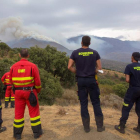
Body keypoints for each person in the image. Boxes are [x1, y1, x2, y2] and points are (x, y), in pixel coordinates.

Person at [68, 36, 105, 133]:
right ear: (90, 43)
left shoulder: (75, 53)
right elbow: (99, 68)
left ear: (81, 42)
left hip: (81, 81)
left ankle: (86, 128)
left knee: (83, 104)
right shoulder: (95, 53)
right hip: (92, 80)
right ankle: (100, 127)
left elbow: (69, 66)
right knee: (96, 103)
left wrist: (78, 72)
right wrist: (93, 72)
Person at [9, 49, 43, 140]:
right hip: (30, 92)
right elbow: (38, 82)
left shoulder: (13, 67)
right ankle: (37, 133)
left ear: (19, 55)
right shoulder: (33, 66)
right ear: (28, 56)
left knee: (18, 114)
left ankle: (17, 135)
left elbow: (10, 81)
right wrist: (37, 91)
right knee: (34, 113)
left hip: (18, 93)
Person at [115, 52, 140, 134]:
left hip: (133, 90)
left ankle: (121, 127)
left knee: (126, 108)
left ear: (132, 57)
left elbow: (127, 80)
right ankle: (139, 128)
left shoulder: (129, 66)